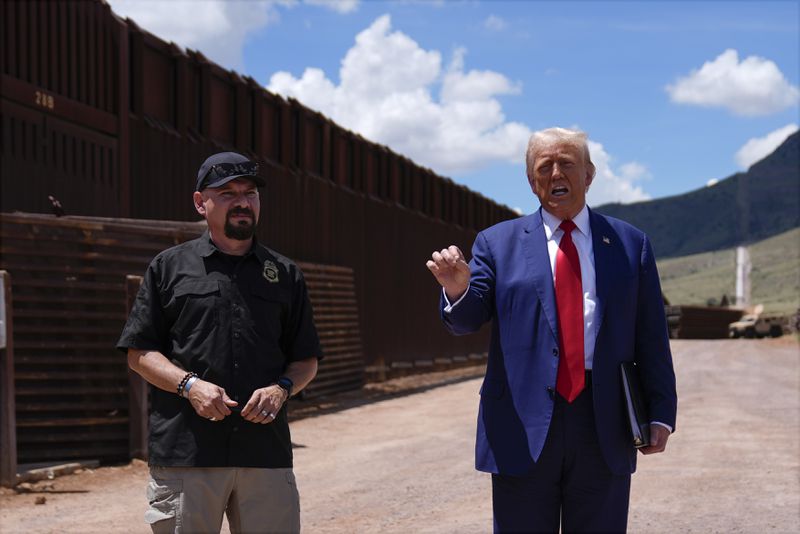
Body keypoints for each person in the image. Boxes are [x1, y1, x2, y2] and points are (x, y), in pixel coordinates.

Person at [426, 127, 677, 533]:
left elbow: (651, 335)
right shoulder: (496, 243)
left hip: (604, 422)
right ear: (531, 181)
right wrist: (457, 289)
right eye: (545, 167)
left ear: (589, 175)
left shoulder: (631, 245)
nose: (556, 174)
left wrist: (661, 413)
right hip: (521, 425)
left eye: (567, 164)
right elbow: (467, 320)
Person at [117, 152, 321, 534]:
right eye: (227, 193)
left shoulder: (285, 274)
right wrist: (189, 385)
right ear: (200, 203)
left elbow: (305, 359)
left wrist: (282, 389)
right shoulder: (169, 267)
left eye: (250, 193)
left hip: (265, 453)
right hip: (187, 454)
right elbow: (139, 353)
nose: (243, 202)